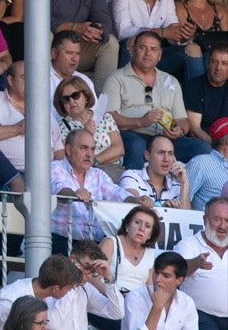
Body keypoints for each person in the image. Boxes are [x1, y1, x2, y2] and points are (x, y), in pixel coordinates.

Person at [104, 30, 197, 171]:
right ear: (133, 50)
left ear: (159, 55)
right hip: (133, 135)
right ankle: (132, 190)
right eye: (143, 48)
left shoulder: (171, 80)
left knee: (201, 148)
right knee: (136, 146)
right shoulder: (116, 79)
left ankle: (188, 190)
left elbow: (182, 119)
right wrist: (141, 121)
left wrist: (180, 130)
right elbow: (109, 118)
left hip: (166, 138)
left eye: (153, 49)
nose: (148, 53)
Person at [50, 128, 128, 253]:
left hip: (94, 243)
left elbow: (117, 193)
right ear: (69, 149)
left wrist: (136, 200)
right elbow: (60, 188)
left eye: (92, 149)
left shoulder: (98, 175)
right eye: (84, 148)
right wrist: (74, 195)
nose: (89, 154)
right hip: (62, 241)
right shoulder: (54, 167)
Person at [177, 196, 228, 330]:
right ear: (205, 219)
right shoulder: (189, 245)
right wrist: (196, 263)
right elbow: (179, 269)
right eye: (217, 219)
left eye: (227, 220)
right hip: (201, 316)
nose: (223, 226)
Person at [52, 76, 124, 173]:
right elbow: (70, 158)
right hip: (83, 174)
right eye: (66, 99)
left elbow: (119, 149)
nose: (71, 101)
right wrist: (85, 133)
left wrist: (94, 161)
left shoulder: (105, 117)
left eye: (75, 95)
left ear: (85, 96)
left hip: (112, 169)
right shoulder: (61, 127)